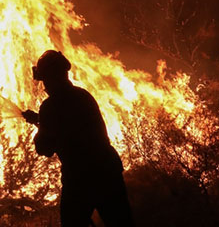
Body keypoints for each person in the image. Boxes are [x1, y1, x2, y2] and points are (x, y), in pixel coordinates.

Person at [21, 50, 135, 227]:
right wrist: (40, 120)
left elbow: (45, 148)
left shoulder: (50, 106)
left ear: (52, 78)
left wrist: (41, 125)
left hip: (80, 178)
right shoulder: (83, 95)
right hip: (108, 171)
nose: (45, 86)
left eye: (45, 80)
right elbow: (71, 126)